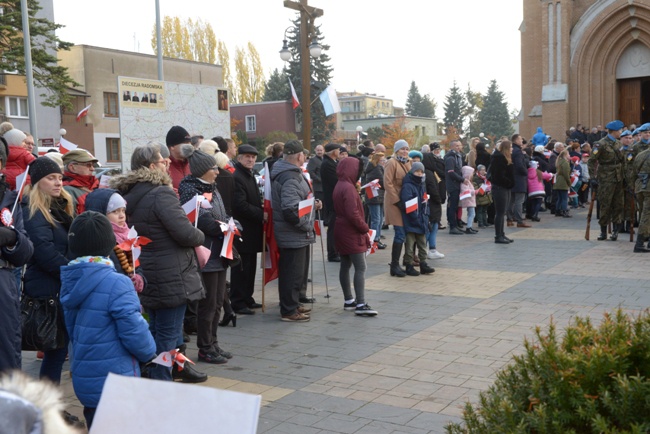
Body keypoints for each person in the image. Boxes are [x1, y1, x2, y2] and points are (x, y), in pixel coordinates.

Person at [109, 144, 207, 383]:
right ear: (152, 166)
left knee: (156, 329)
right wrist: (200, 235)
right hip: (170, 273)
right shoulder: (161, 193)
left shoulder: (128, 193)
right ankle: (161, 381)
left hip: (146, 271)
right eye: (163, 162)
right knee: (168, 333)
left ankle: (171, 370)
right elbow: (185, 233)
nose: (167, 165)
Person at [60, 211, 157, 428]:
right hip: (116, 381)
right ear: (109, 243)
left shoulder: (69, 280)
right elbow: (134, 330)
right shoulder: (118, 283)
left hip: (86, 378)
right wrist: (149, 352)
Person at [178, 145, 234, 364]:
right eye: (213, 168)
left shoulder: (212, 187)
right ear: (202, 170)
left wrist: (232, 223)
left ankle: (214, 343)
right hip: (206, 252)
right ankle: (205, 347)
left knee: (219, 301)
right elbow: (203, 221)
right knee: (209, 303)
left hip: (220, 250)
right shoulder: (192, 190)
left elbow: (221, 213)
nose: (217, 171)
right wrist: (225, 227)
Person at [22, 157, 75, 384]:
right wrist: (73, 273)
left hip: (58, 285)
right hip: (47, 289)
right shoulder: (34, 211)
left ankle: (50, 406)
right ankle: (48, 408)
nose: (58, 183)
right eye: (51, 178)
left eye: (60, 178)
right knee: (55, 349)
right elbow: (44, 252)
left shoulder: (59, 207)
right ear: (37, 182)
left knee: (57, 350)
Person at [270, 140, 320, 322]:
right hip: (293, 233)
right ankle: (289, 310)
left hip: (296, 234)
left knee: (297, 273)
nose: (305, 157)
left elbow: (299, 201)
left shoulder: (292, 174)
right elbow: (290, 210)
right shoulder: (290, 177)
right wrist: (306, 226)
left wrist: (313, 205)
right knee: (291, 273)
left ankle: (293, 304)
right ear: (299, 156)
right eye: (304, 155)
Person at [0, 139, 33, 373]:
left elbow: (26, 251)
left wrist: (11, 239)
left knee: (7, 363)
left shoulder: (10, 200)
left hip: (3, 288)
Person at [333, 157, 378, 316]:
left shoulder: (340, 184)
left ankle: (349, 300)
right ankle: (360, 303)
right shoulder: (349, 188)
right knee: (361, 266)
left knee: (345, 265)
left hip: (341, 228)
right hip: (351, 230)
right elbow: (353, 214)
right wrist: (365, 228)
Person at [230, 144, 265, 315]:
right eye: (247, 157)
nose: (251, 159)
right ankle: (237, 301)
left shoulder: (249, 175)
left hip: (252, 229)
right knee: (241, 268)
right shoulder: (237, 176)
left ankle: (247, 297)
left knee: (250, 266)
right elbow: (240, 204)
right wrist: (261, 214)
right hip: (243, 230)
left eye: (253, 157)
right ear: (239, 158)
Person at [588, 120, 625, 241]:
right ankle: (603, 231)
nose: (621, 132)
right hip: (605, 178)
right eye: (620, 130)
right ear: (614, 131)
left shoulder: (619, 144)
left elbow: (622, 161)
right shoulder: (600, 144)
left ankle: (615, 230)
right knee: (605, 204)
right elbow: (591, 161)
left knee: (618, 204)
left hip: (618, 177)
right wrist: (592, 178)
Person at [400, 162, 434, 276]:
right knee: (410, 245)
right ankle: (409, 264)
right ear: (412, 172)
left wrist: (426, 217)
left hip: (421, 219)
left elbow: (425, 203)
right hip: (411, 220)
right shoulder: (408, 186)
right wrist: (416, 219)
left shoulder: (422, 185)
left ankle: (423, 264)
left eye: (421, 172)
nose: (419, 174)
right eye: (417, 171)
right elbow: (408, 204)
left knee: (423, 244)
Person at [384, 140, 412, 277]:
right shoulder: (391, 162)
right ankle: (394, 265)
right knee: (400, 232)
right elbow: (387, 183)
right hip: (395, 203)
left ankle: (406, 263)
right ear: (396, 150)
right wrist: (397, 200)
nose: (405, 151)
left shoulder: (408, 162)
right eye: (402, 149)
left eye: (407, 149)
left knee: (406, 233)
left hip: (406, 202)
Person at [490, 140, 515, 244]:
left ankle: (502, 234)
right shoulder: (499, 158)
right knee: (500, 212)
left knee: (502, 212)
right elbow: (498, 176)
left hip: (505, 187)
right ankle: (498, 236)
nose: (512, 149)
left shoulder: (505, 158)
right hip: (500, 187)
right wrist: (509, 182)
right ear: (506, 148)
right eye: (511, 147)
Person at [61, 149, 99, 214]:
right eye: (88, 165)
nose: (92, 169)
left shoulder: (96, 185)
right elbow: (73, 221)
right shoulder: (67, 190)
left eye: (93, 165)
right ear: (72, 167)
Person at [422, 152, 444, 259]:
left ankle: (428, 249)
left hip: (429, 203)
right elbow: (433, 188)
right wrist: (438, 199)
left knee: (431, 227)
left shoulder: (426, 172)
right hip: (432, 204)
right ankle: (430, 249)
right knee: (433, 227)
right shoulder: (429, 173)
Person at [321, 143, 341, 262]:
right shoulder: (327, 164)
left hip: (335, 198)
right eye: (338, 150)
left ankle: (336, 250)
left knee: (336, 226)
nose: (339, 152)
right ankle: (332, 253)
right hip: (332, 199)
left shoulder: (332, 162)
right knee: (333, 227)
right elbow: (336, 180)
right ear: (333, 152)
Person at [507, 134, 531, 228]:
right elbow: (519, 165)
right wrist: (526, 172)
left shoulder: (511, 150)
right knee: (519, 201)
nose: (522, 141)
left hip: (512, 178)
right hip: (519, 178)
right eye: (521, 139)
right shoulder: (518, 152)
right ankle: (519, 221)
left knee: (511, 200)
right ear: (516, 140)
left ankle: (509, 219)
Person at [363, 151, 386, 249]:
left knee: (378, 218)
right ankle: (374, 239)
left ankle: (376, 238)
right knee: (377, 219)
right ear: (378, 160)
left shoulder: (372, 168)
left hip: (376, 196)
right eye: (382, 160)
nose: (384, 162)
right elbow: (383, 181)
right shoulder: (377, 168)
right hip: (375, 197)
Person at [445, 140, 465, 235]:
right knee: (452, 206)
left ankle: (455, 225)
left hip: (455, 184)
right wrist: (462, 179)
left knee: (455, 206)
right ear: (452, 147)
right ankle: (452, 226)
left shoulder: (457, 157)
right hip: (453, 185)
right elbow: (451, 172)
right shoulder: (451, 158)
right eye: (456, 146)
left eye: (459, 145)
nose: (458, 147)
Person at [633, 145, 650, 252]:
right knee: (646, 216)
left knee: (644, 213)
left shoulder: (641, 154)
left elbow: (634, 172)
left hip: (640, 187)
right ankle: (639, 243)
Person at [165, 125, 192, 189]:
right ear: (172, 147)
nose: (190, 146)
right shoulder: (165, 168)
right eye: (185, 143)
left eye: (190, 142)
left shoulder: (192, 165)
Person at [553, 150, 572, 218]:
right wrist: (569, 183)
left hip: (558, 181)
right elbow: (566, 174)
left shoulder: (559, 162)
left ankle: (557, 211)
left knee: (560, 198)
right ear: (565, 155)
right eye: (568, 154)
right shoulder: (565, 163)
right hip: (563, 182)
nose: (569, 155)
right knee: (564, 198)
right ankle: (564, 211)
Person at [460, 166, 478, 234]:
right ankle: (468, 227)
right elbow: (465, 191)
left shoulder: (468, 181)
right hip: (469, 200)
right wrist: (475, 192)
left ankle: (469, 226)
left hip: (471, 200)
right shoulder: (465, 182)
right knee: (472, 214)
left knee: (471, 214)